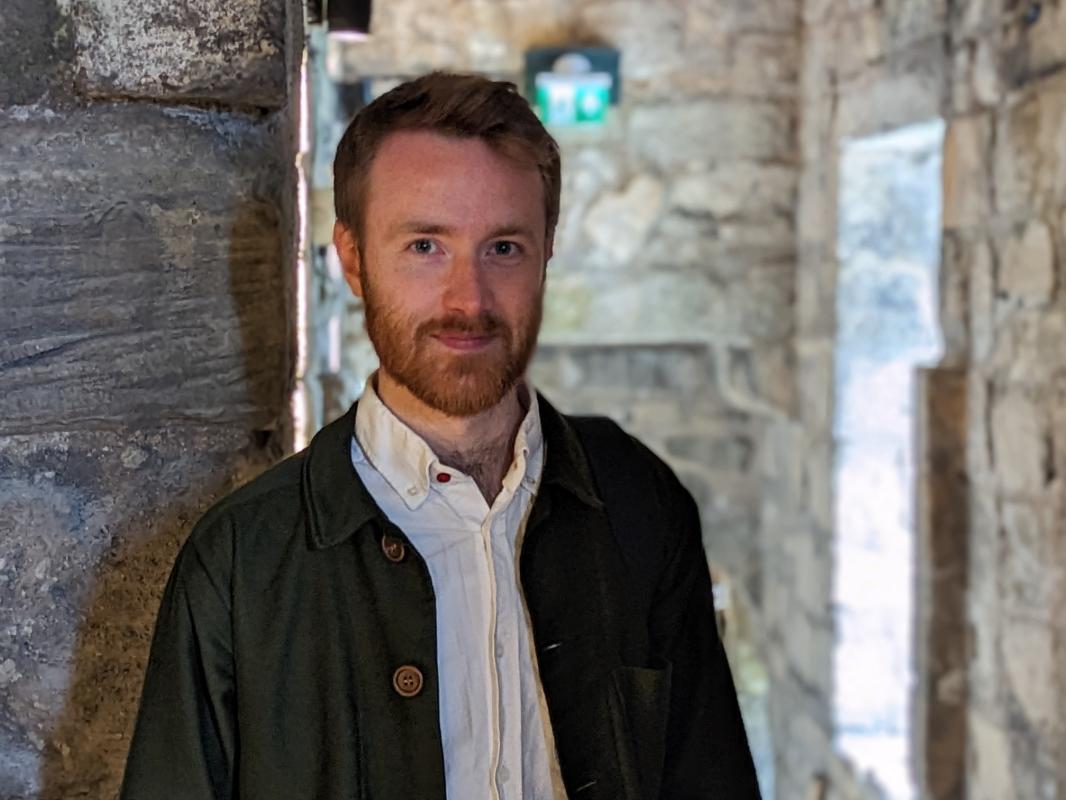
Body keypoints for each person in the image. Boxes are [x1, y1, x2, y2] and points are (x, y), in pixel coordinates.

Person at [120, 71, 760, 800]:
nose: (469, 300)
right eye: (426, 246)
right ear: (353, 259)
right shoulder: (239, 566)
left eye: (504, 248)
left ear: (548, 248)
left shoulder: (641, 503)